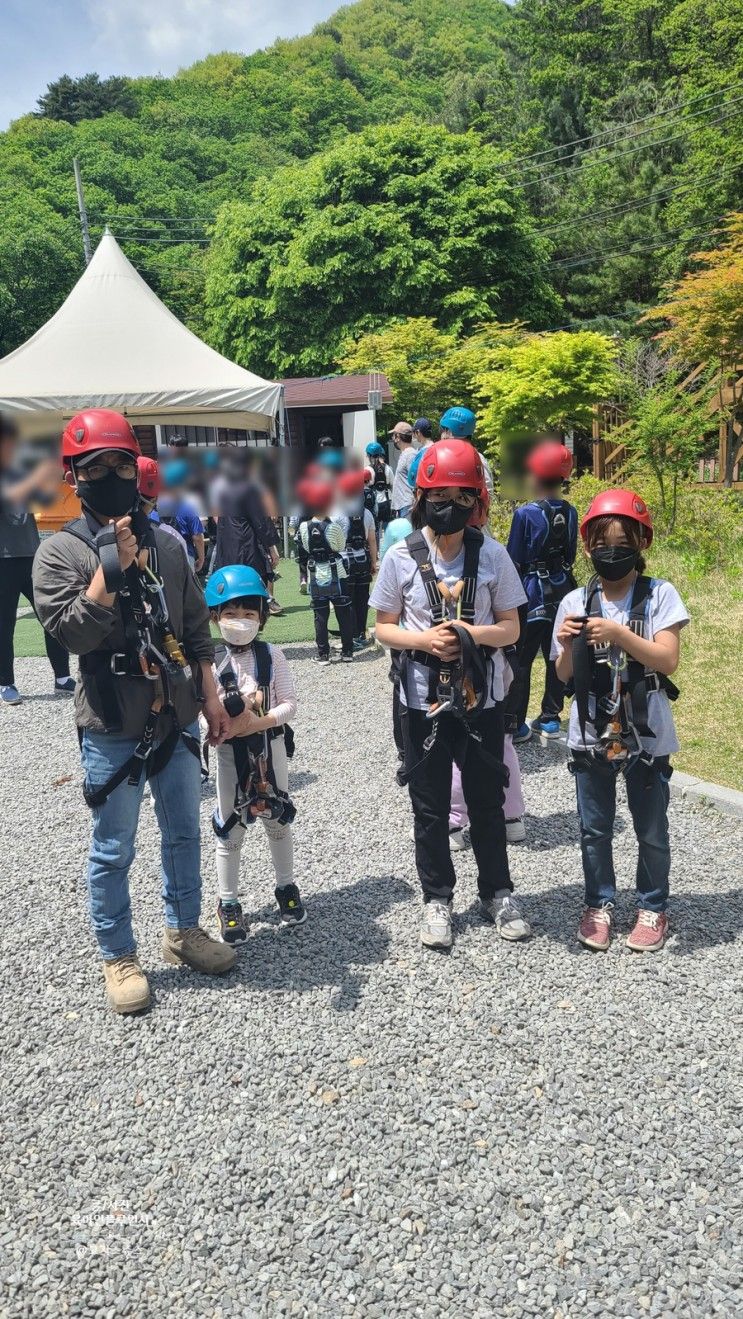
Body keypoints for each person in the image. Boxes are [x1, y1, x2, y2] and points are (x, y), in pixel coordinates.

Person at [32, 409, 235, 1015]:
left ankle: (183, 929)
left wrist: (209, 694)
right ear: (75, 476)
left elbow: (195, 628)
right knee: (113, 845)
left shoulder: (167, 544)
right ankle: (118, 953)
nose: (114, 475)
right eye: (99, 467)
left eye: (124, 463)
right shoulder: (59, 553)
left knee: (182, 829)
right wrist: (109, 571)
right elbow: (69, 633)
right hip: (111, 717)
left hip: (172, 711)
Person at [370, 438, 530, 951]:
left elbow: (510, 628)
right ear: (422, 497)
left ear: (477, 501)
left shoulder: (493, 555)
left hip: (482, 696)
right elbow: (384, 628)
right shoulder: (399, 556)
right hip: (422, 698)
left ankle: (497, 891)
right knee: (430, 803)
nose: (452, 506)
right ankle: (437, 897)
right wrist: (425, 640)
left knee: (487, 798)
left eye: (464, 497)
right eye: (442, 495)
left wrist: (467, 635)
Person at [552, 489, 688, 953]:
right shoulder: (574, 599)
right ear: (587, 545)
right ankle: (599, 903)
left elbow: (666, 660)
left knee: (650, 827)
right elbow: (563, 674)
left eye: (621, 541)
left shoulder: (659, 595)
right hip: (591, 732)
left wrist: (619, 633)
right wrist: (571, 642)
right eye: (602, 542)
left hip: (646, 732)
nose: (611, 551)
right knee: (594, 827)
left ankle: (653, 904)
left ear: (640, 544)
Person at [205, 565, 304, 943]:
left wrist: (257, 721)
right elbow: (200, 719)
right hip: (230, 755)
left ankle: (286, 886)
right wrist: (226, 724)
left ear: (262, 616)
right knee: (230, 826)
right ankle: (228, 901)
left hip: (270, 746)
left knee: (278, 816)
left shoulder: (271, 656)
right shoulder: (211, 663)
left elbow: (290, 704)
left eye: (249, 613)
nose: (240, 621)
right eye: (231, 613)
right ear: (216, 617)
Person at [0, 413, 75, 705]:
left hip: (31, 554)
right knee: (5, 624)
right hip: (3, 559)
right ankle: (6, 682)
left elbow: (43, 495)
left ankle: (62, 677)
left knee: (51, 614)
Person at [506, 441, 577, 744]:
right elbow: (571, 554)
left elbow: (514, 559)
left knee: (522, 658)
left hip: (531, 592)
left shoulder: (525, 514)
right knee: (556, 654)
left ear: (535, 476)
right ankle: (550, 717)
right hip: (563, 590)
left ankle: (516, 722)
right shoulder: (571, 511)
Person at [298, 475, 356, 665]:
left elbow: (305, 549)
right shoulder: (334, 527)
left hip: (316, 572)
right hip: (336, 572)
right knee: (343, 614)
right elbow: (340, 547)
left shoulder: (303, 527)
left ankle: (323, 654)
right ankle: (347, 651)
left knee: (320, 615)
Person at [335, 469, 378, 649]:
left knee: (347, 599)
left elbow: (332, 540)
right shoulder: (366, 513)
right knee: (362, 599)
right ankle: (361, 633)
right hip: (363, 560)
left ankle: (349, 636)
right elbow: (372, 540)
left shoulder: (335, 513)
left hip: (344, 562)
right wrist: (373, 562)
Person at [158, 463, 206, 573]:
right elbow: (197, 537)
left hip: (162, 557)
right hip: (185, 555)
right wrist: (202, 559)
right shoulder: (187, 507)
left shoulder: (154, 507)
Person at [389, 421, 416, 518]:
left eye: (393, 435)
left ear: (397, 437)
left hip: (408, 506)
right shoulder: (406, 454)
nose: (392, 438)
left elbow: (416, 480)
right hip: (403, 506)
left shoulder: (410, 455)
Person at [365, 441, 393, 528]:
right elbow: (392, 485)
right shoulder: (387, 468)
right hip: (386, 502)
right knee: (387, 529)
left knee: (375, 530)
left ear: (369, 455)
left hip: (373, 503)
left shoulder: (367, 470)